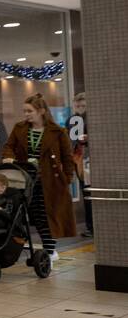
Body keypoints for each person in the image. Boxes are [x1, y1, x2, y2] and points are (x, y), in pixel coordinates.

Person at [1, 93, 75, 259]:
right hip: (26, 179)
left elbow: (67, 158)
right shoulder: (19, 128)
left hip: (50, 181)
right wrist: (8, 156)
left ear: (41, 111)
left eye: (29, 111)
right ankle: (47, 251)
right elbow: (8, 146)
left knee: (46, 216)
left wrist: (67, 178)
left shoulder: (58, 132)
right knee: (33, 215)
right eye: (24, 111)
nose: (26, 114)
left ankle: (49, 251)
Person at [69, 92, 91, 237]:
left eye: (83, 105)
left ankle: (92, 227)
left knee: (89, 194)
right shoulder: (75, 119)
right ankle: (91, 227)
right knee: (86, 193)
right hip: (80, 160)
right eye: (77, 105)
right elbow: (73, 140)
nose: (80, 108)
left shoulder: (81, 119)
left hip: (87, 160)